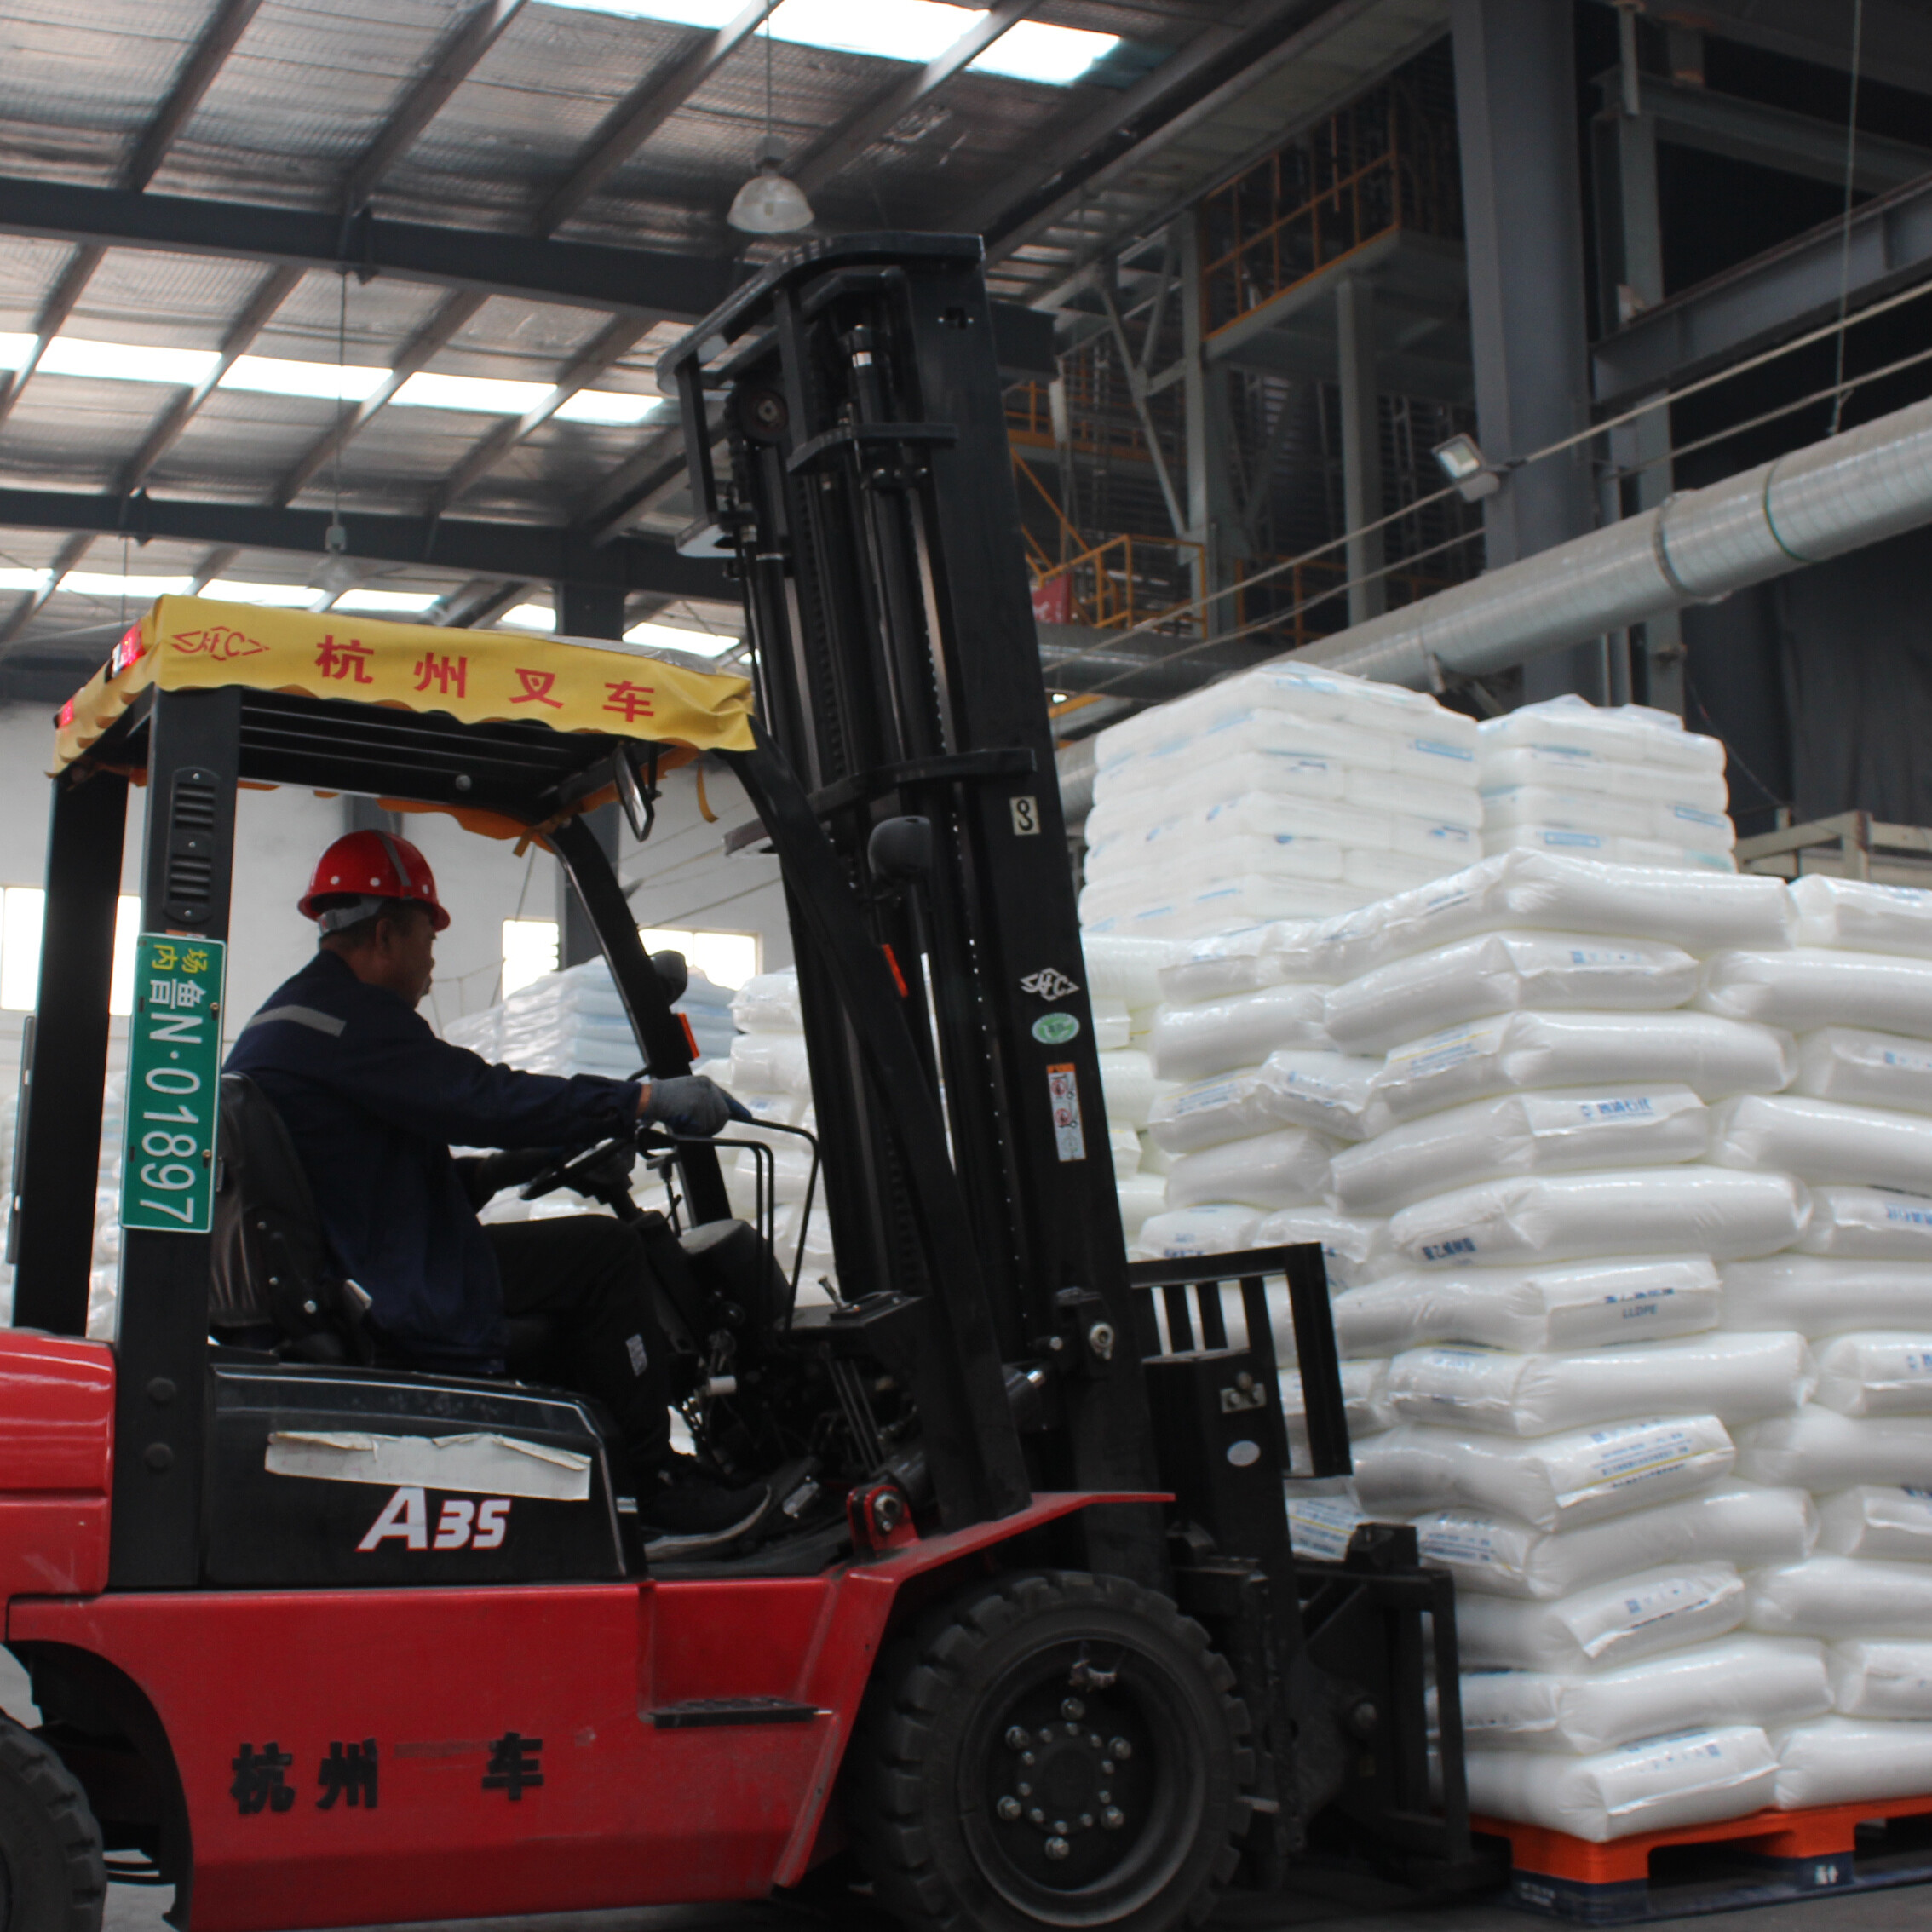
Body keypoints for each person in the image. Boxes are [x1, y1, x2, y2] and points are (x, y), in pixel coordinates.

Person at [224, 827, 768, 1555]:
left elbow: (366, 1180)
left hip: (360, 1264)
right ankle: (653, 1485)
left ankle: (595, 1462)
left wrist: (496, 1171)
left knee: (569, 1259)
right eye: (429, 939)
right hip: (386, 1286)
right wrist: (642, 1102)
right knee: (605, 1252)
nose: (432, 961)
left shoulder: (294, 1019)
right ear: (385, 934)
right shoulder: (352, 1021)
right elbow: (481, 1097)